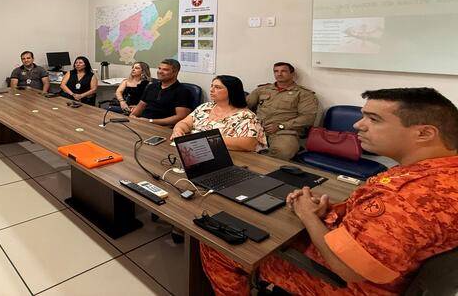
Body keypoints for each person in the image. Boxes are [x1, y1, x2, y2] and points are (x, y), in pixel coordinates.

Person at [201, 87, 458, 296]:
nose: (358, 125)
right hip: (376, 261)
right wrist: (334, 211)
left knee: (218, 245)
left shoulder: (409, 197)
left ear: (424, 133)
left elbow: (348, 269)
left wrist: (308, 215)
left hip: (344, 284)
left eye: (374, 119)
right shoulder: (439, 173)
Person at [171, 75, 266, 152]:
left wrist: (205, 140)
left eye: (217, 87)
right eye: (212, 86)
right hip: (197, 151)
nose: (211, 90)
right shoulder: (205, 107)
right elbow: (185, 123)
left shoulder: (246, 116)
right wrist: (178, 130)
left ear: (231, 91)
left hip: (229, 157)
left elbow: (249, 143)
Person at [247, 62, 319, 160]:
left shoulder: (304, 94)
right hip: (257, 127)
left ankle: (264, 171)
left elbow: (308, 118)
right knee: (233, 141)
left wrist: (281, 126)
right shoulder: (262, 89)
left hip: (284, 132)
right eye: (276, 71)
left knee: (283, 151)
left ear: (292, 74)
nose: (279, 74)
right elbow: (244, 105)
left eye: (283, 71)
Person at [129, 59, 193, 127]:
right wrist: (132, 116)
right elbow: (141, 106)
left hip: (161, 127)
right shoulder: (152, 86)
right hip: (142, 122)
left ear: (175, 72)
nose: (160, 72)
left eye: (165, 70)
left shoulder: (182, 91)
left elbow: (181, 116)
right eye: (159, 68)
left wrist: (150, 121)